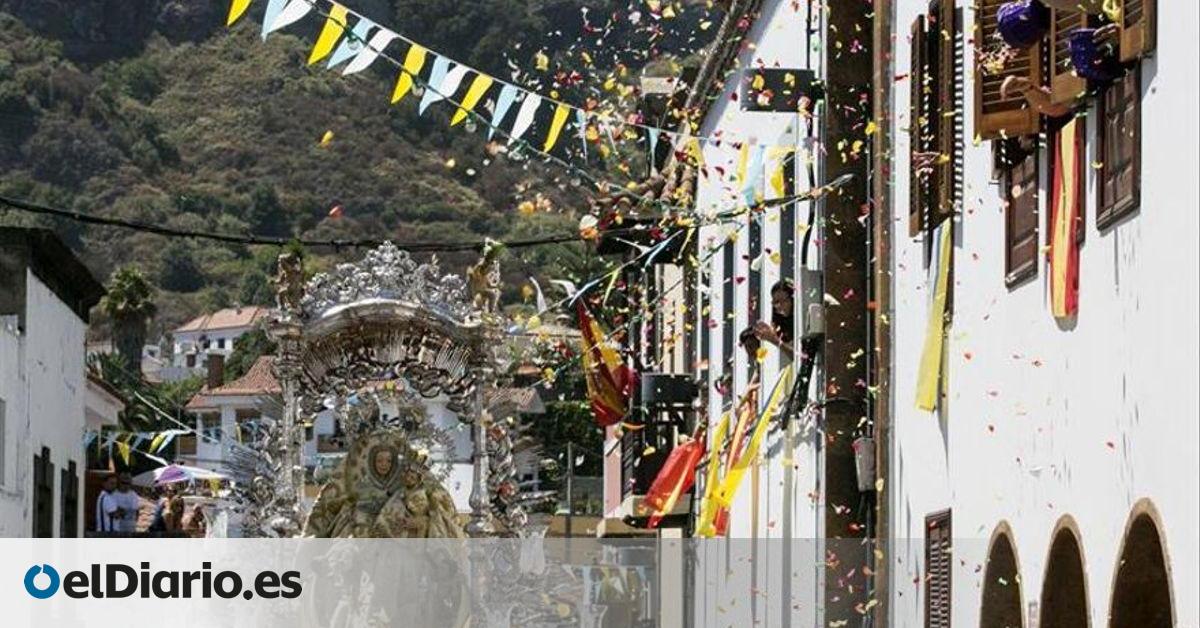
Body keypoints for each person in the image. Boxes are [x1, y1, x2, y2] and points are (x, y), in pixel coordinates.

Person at [754, 279, 795, 357]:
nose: (780, 306)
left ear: (792, 299)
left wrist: (774, 340)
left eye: (783, 301)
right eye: (776, 302)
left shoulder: (800, 320)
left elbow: (800, 357)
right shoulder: (783, 327)